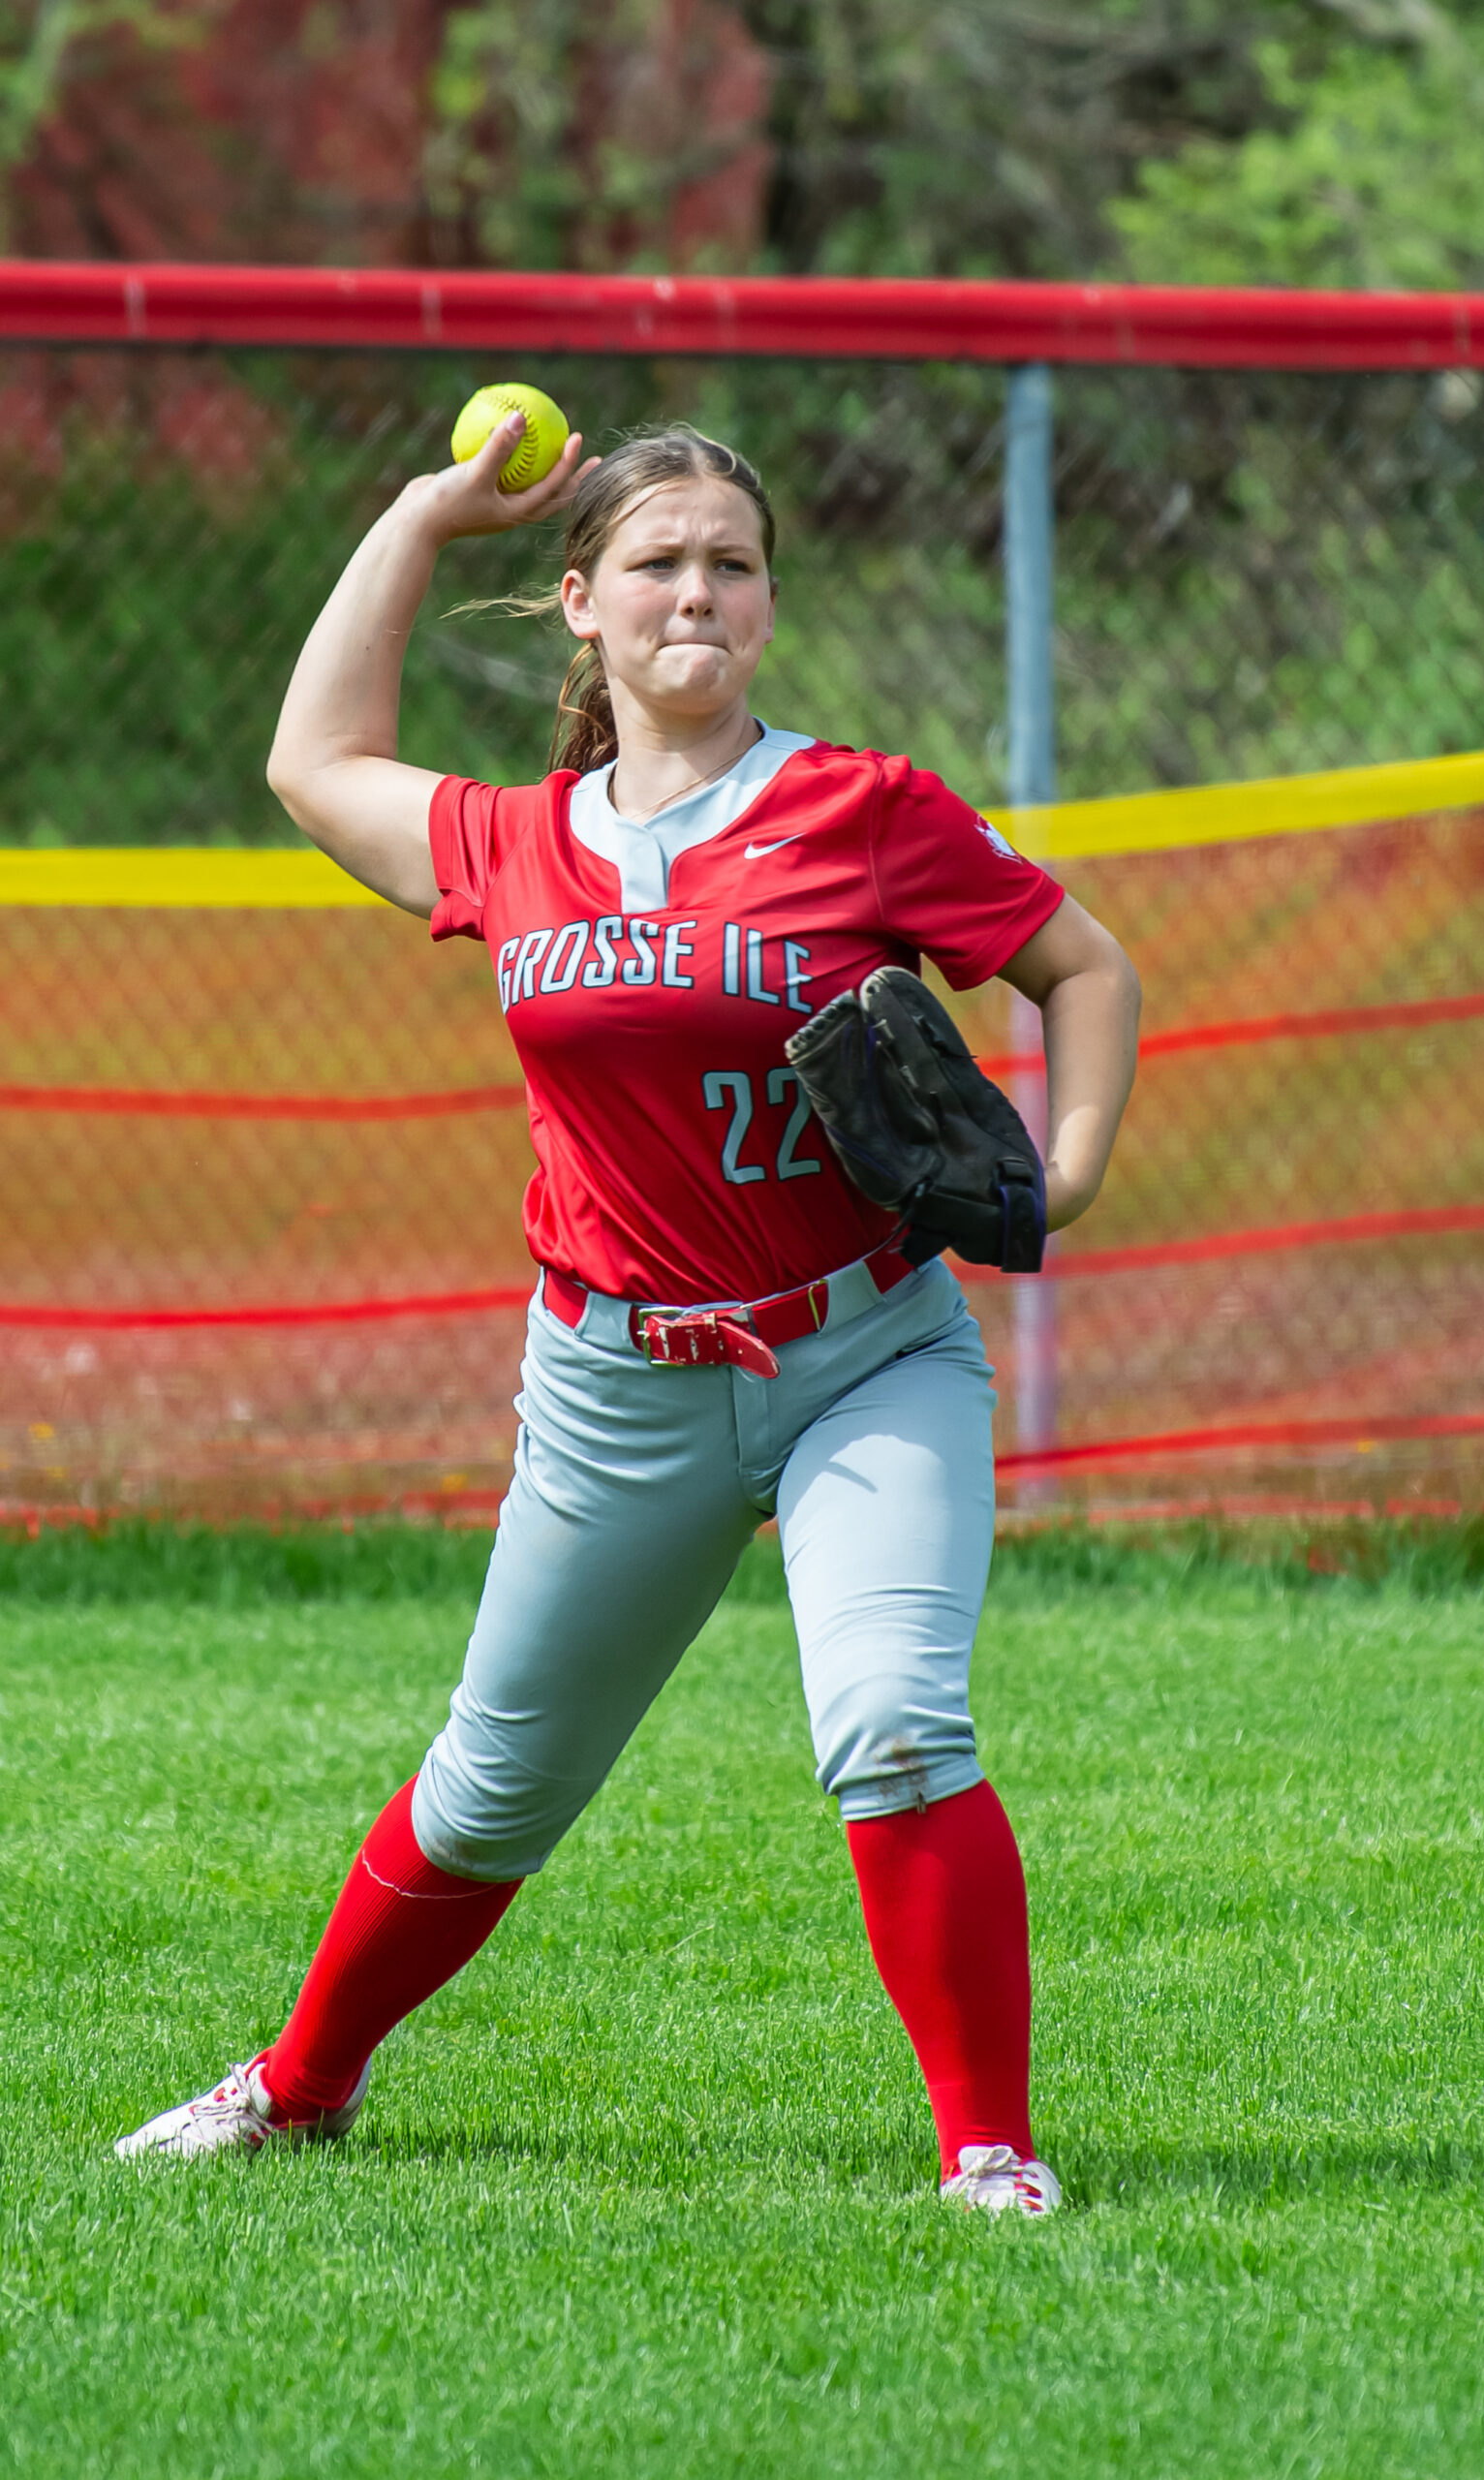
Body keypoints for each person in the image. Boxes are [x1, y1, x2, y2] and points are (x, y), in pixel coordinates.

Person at [115, 408, 1141, 2214]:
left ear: (770, 607)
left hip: (864, 1352)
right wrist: (427, 513)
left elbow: (1085, 963)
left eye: (733, 564)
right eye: (658, 562)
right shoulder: (514, 843)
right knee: (488, 1793)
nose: (698, 592)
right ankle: (296, 2086)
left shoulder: (868, 811)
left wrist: (1061, 1175)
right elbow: (312, 761)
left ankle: (990, 2151)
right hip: (617, 1383)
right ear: (583, 603)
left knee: (896, 1723)